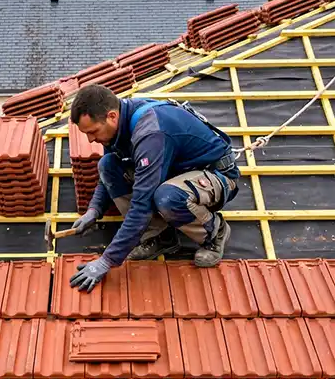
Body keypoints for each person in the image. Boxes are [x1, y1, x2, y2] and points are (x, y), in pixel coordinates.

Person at [68, 83, 240, 293]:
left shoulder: (150, 133)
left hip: (215, 176)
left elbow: (141, 206)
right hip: (176, 169)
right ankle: (160, 236)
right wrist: (94, 210)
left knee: (166, 198)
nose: (91, 139)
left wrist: (106, 261)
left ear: (111, 116)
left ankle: (215, 233)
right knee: (108, 165)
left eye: (93, 131)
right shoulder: (118, 125)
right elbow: (108, 175)